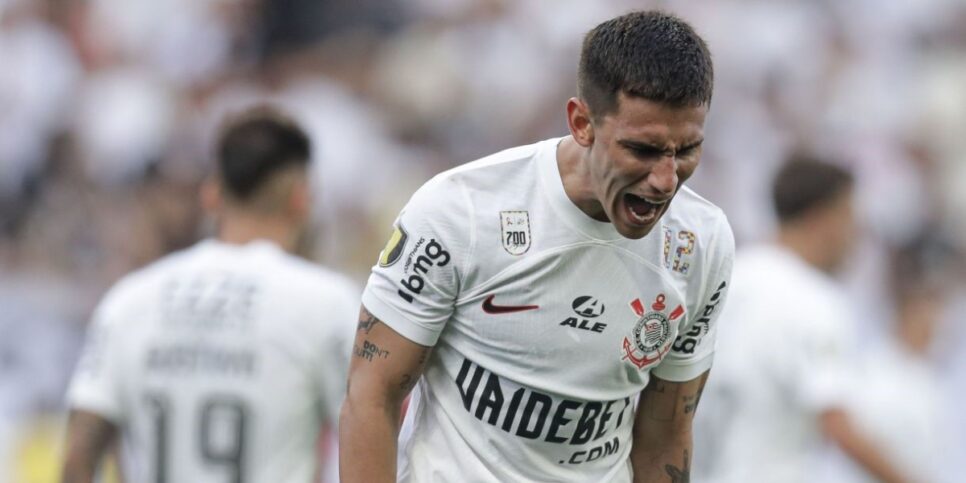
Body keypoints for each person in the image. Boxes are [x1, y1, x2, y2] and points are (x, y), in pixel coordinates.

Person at [341, 10, 734, 482]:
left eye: (686, 150)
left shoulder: (701, 244)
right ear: (582, 122)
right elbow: (372, 395)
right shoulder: (460, 211)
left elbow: (666, 435)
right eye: (643, 150)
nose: (665, 180)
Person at [61, 107, 358, 483]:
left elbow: (78, 458)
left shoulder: (128, 301)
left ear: (212, 194)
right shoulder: (328, 304)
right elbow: (368, 431)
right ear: (301, 198)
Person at [692, 155, 912, 483]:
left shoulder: (727, 277)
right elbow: (837, 424)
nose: (855, 239)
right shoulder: (813, 300)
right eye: (851, 219)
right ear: (823, 218)